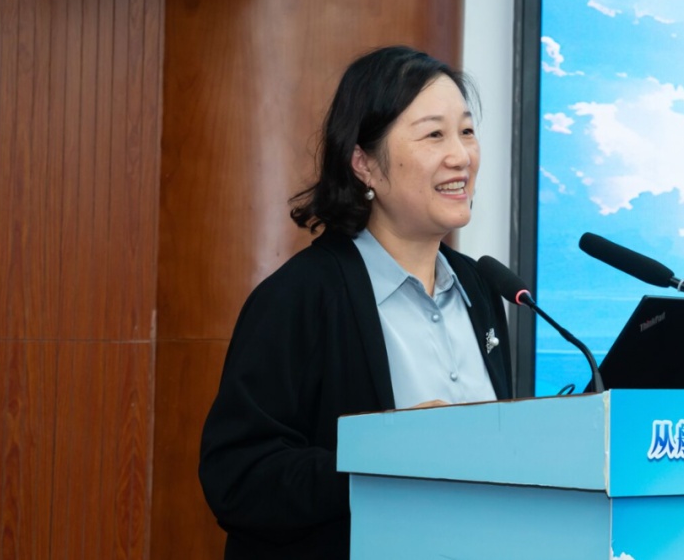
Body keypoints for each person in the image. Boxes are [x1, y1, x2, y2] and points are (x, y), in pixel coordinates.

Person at [198, 46, 513, 559]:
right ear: (365, 164)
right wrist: (383, 455)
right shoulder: (301, 297)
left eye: (467, 131)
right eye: (434, 135)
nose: (461, 156)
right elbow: (238, 478)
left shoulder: (480, 289)